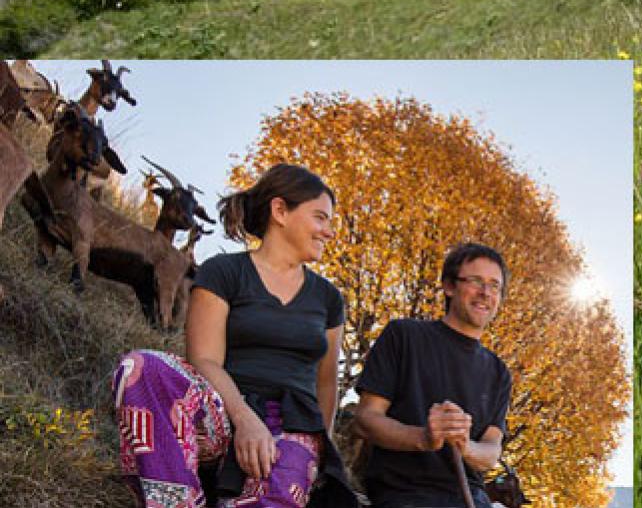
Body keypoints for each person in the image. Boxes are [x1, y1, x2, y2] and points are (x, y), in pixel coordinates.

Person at [111, 163, 358, 506]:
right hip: (223, 411)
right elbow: (205, 359)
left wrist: (320, 453)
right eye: (320, 217)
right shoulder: (224, 271)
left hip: (293, 425)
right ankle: (176, 500)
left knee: (277, 481)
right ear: (280, 211)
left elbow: (326, 383)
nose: (328, 232)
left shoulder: (328, 298)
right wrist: (245, 420)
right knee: (139, 367)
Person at [353, 243, 514, 507]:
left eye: (494, 285)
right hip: (404, 493)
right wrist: (424, 438)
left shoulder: (498, 372)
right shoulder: (404, 335)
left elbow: (491, 450)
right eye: (475, 281)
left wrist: (465, 445)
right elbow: (366, 419)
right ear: (449, 286)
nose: (486, 293)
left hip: (470, 498)